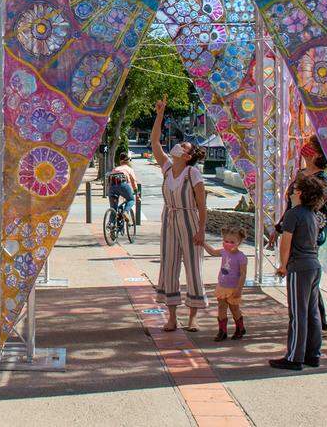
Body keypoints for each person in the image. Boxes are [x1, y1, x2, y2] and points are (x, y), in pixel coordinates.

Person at [269, 135, 327, 333]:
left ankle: (314, 323)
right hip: (294, 227)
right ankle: (317, 321)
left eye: (310, 146)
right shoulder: (301, 174)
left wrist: (309, 230)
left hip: (307, 234)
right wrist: (280, 226)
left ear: (317, 153)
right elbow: (291, 203)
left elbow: (321, 212)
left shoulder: (322, 180)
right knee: (305, 279)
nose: (304, 148)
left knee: (304, 276)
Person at [150, 97, 208, 332]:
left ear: (187, 156)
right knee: (169, 266)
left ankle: (193, 317)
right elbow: (155, 142)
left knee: (194, 267)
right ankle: (172, 317)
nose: (180, 146)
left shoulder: (193, 173)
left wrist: (202, 229)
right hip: (169, 219)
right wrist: (160, 114)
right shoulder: (166, 168)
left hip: (189, 220)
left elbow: (202, 205)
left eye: (184, 146)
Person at [270, 175, 327, 371]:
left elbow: (286, 242)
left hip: (299, 266)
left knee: (297, 313)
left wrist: (282, 265)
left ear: (300, 193)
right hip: (313, 265)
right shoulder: (312, 214)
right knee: (312, 312)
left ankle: (294, 356)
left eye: (294, 191)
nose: (291, 194)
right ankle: (313, 354)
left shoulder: (294, 214)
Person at [202, 227, 248, 341]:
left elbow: (243, 274)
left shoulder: (241, 257)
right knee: (221, 307)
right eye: (226, 241)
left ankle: (240, 328)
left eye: (232, 242)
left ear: (239, 242)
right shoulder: (223, 252)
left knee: (234, 308)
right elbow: (212, 252)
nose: (228, 244)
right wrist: (203, 243)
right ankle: (222, 331)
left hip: (233, 288)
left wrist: (239, 289)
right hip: (222, 285)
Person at [106, 151, 139, 223]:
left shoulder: (115, 169)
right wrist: (136, 193)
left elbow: (109, 180)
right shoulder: (129, 169)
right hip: (122, 185)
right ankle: (126, 212)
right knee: (131, 200)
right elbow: (133, 182)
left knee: (113, 209)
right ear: (127, 161)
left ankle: (111, 226)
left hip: (112, 187)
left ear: (120, 161)